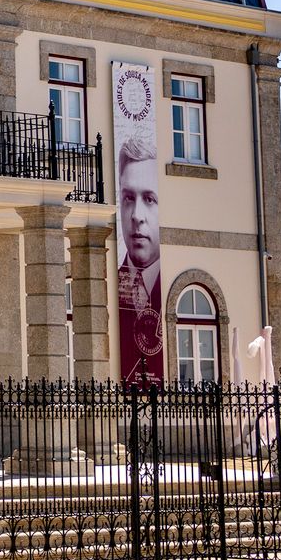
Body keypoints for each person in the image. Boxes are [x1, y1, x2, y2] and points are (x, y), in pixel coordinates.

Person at [116, 133, 164, 378]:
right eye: (128, 198)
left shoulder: (166, 290)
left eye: (149, 199)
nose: (136, 215)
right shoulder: (114, 281)